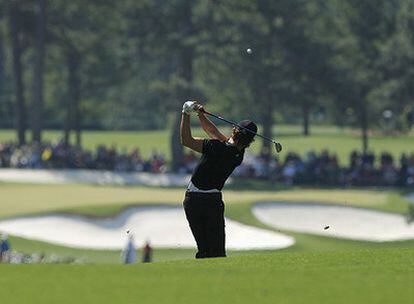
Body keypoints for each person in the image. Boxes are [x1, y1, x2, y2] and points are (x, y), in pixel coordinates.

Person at [180, 101, 257, 258]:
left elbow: (186, 140)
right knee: (217, 252)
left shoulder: (215, 147)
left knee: (204, 251)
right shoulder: (238, 154)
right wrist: (200, 115)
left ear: (235, 130)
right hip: (213, 202)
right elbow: (213, 131)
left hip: (193, 200)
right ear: (250, 140)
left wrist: (185, 113)